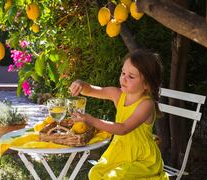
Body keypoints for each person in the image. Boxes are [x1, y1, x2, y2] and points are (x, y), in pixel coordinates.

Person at [69, 49, 169, 179]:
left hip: (142, 158)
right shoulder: (118, 95)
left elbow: (123, 128)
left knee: (115, 177)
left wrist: (92, 120)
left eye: (131, 76)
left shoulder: (146, 104)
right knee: (94, 174)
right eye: (123, 73)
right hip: (119, 152)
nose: (124, 78)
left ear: (146, 84)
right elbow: (92, 90)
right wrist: (81, 85)